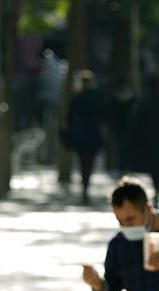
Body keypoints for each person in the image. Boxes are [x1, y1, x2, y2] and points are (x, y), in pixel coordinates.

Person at [64, 70, 106, 204]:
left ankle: (84, 187)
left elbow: (69, 117)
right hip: (93, 133)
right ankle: (86, 186)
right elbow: (103, 115)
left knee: (83, 162)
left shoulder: (77, 97)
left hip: (81, 134)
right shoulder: (97, 97)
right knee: (90, 162)